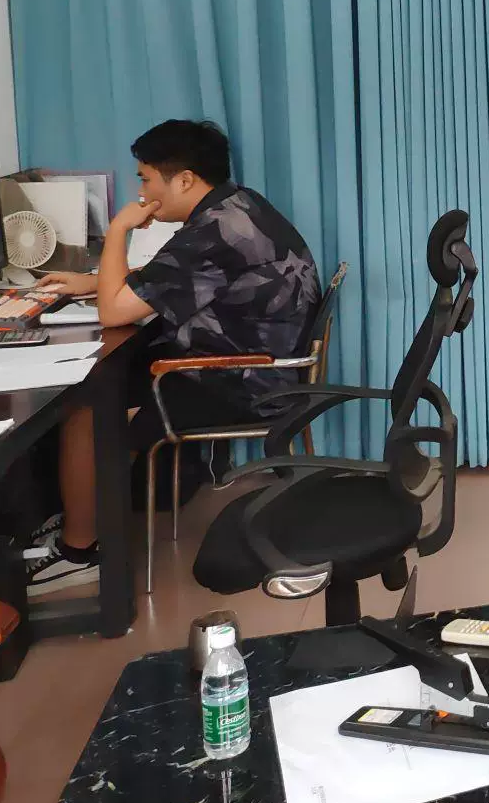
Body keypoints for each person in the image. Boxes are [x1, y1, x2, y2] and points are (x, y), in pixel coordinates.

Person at [27, 120, 320, 593]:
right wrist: (94, 281)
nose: (142, 193)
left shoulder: (211, 231)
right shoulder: (238, 205)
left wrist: (119, 229)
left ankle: (79, 551)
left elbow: (114, 312)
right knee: (107, 383)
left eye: (145, 179)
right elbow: (179, 276)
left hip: (243, 382)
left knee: (87, 409)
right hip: (255, 363)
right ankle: (87, 513)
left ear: (183, 180)